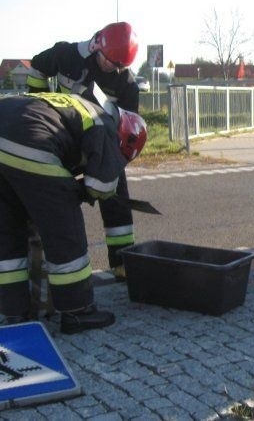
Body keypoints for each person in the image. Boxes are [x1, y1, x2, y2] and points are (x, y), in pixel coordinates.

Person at [0, 92, 147, 333]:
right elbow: (101, 185)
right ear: (124, 141)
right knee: (64, 231)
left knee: (8, 234)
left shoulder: (80, 108)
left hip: (10, 125)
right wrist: (75, 193)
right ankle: (77, 312)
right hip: (30, 138)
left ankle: (15, 313)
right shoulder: (107, 126)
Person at [27, 22, 140, 281]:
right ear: (96, 45)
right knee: (51, 194)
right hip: (63, 137)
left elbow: (129, 127)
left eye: (118, 65)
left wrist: (113, 161)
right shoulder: (68, 55)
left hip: (101, 144)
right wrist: (40, 103)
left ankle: (122, 262)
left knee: (116, 191)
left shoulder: (126, 84)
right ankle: (46, 265)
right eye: (108, 61)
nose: (111, 67)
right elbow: (36, 66)